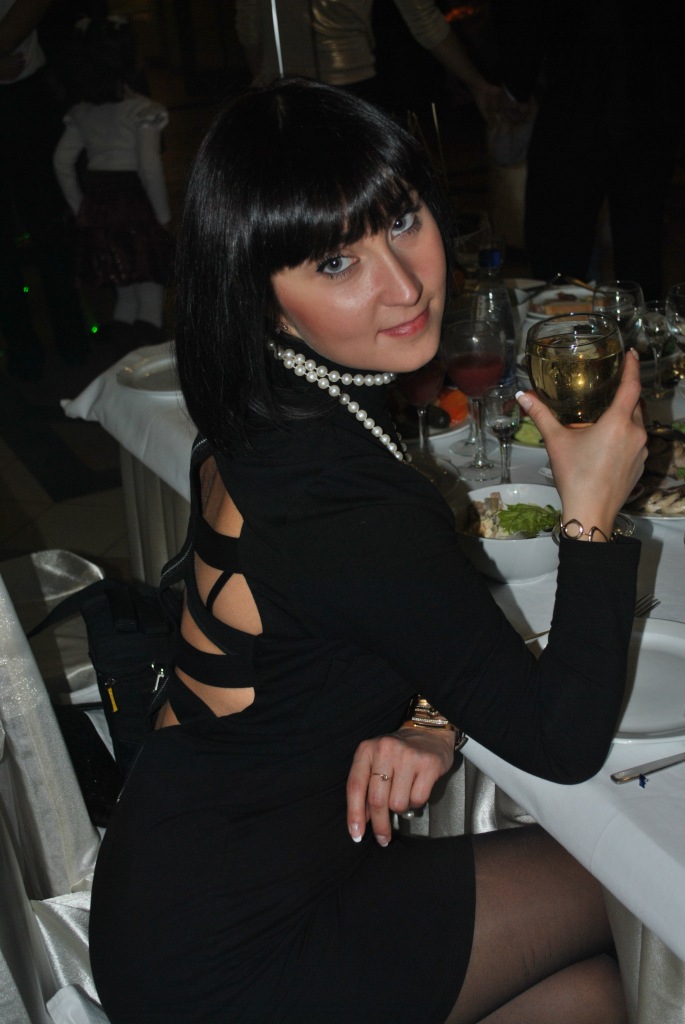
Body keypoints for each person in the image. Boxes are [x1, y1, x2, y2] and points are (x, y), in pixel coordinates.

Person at [88, 77, 646, 1024]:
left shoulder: (258, 409)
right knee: (630, 890)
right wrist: (591, 512)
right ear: (261, 295)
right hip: (233, 962)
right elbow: (560, 742)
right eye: (335, 263)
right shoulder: (348, 503)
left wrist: (429, 717)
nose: (403, 283)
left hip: (178, 889)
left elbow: (354, 628)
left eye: (401, 221)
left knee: (586, 995)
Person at [489, 0, 681, 301]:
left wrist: (516, 85)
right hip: (651, 98)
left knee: (561, 252)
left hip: (578, 96)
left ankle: (568, 324)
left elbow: (530, 16)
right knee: (639, 245)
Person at [52, 14, 173, 349]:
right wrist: (163, 216)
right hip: (136, 206)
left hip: (101, 208)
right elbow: (149, 168)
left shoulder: (83, 113)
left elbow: (61, 162)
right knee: (150, 288)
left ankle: (121, 361)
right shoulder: (141, 110)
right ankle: (148, 358)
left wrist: (82, 208)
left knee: (124, 293)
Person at [0, 0, 92, 378]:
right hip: (23, 96)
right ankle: (24, 346)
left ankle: (70, 337)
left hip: (24, 98)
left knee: (50, 226)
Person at [234, 0, 501, 123]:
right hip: (351, 87)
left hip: (285, 87)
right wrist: (477, 84)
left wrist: (264, 82)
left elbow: (249, 24)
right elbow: (425, 21)